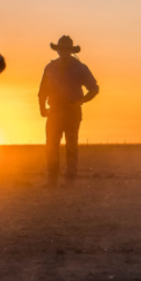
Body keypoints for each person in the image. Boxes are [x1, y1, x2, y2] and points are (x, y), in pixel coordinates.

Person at [38, 35, 99, 186]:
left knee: (71, 146)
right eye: (61, 48)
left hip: (72, 110)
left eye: (66, 49)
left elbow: (94, 88)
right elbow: (42, 90)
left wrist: (81, 101)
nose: (63, 51)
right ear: (57, 50)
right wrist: (42, 108)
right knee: (51, 146)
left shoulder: (80, 68)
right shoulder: (50, 68)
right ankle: (52, 179)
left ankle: (70, 179)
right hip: (55, 111)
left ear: (71, 51)